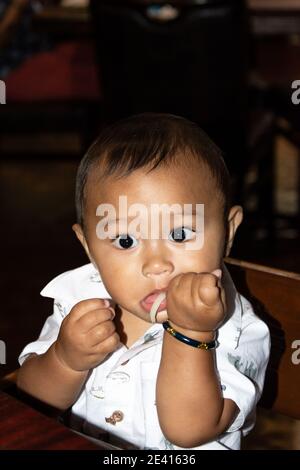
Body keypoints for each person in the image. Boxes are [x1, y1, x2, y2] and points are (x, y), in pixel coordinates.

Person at [17, 113, 270, 450]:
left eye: (180, 234)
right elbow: (30, 399)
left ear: (228, 233)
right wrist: (64, 360)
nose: (156, 265)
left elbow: (188, 430)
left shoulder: (236, 330)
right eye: (125, 241)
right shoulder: (80, 299)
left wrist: (192, 332)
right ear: (89, 248)